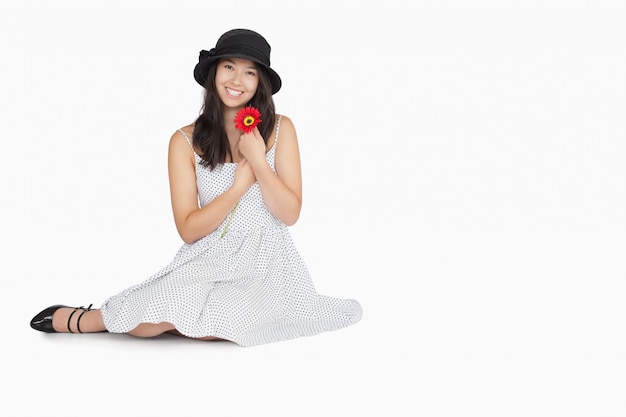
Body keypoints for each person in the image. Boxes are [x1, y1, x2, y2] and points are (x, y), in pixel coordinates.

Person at [30, 28, 362, 346]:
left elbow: (289, 213)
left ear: (260, 81)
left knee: (224, 324)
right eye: (229, 67)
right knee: (155, 319)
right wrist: (236, 188)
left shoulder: (280, 128)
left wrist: (259, 162)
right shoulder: (183, 141)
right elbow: (188, 230)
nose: (236, 80)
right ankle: (96, 319)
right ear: (214, 72)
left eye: (249, 72)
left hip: (267, 263)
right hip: (208, 257)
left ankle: (147, 320)